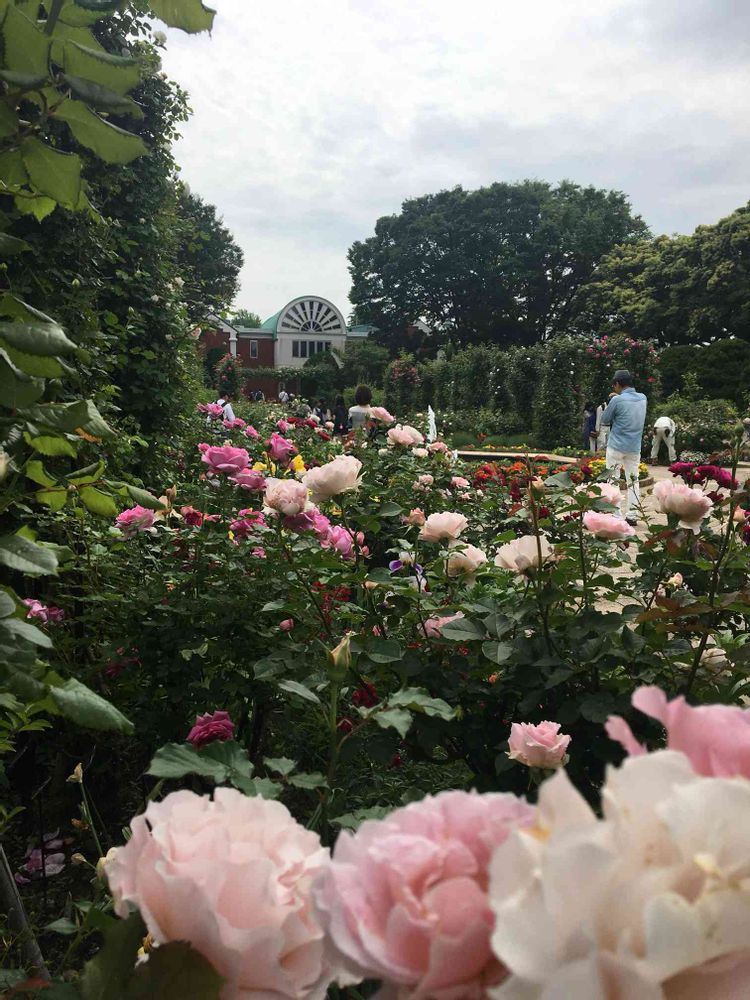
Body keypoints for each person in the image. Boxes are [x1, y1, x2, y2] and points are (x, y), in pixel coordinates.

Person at [599, 369, 647, 525]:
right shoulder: (643, 398)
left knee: (613, 481)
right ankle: (632, 515)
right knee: (634, 481)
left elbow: (605, 420)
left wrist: (612, 401)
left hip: (616, 447)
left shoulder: (616, 400)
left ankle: (616, 515)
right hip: (634, 447)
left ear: (617, 384)